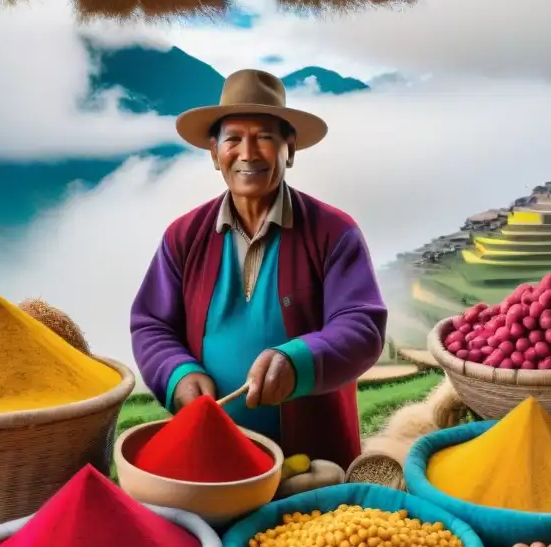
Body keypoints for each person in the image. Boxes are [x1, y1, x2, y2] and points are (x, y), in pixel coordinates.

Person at [131, 69, 387, 469]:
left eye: (265, 137)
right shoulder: (182, 237)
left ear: (290, 149)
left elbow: (362, 326)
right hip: (211, 458)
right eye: (233, 139)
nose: (248, 153)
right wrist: (177, 373)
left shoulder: (335, 233)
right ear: (215, 154)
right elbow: (151, 324)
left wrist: (297, 360)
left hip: (313, 462)